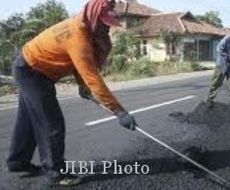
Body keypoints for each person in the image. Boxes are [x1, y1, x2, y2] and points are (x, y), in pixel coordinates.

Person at [7, 0, 137, 186]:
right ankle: (56, 173)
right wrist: (119, 111)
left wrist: (82, 86)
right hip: (32, 72)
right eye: (104, 24)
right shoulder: (78, 36)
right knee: (52, 124)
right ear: (93, 17)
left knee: (28, 120)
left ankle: (17, 162)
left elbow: (77, 63)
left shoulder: (82, 26)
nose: (107, 29)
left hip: (29, 68)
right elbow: (93, 78)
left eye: (109, 25)